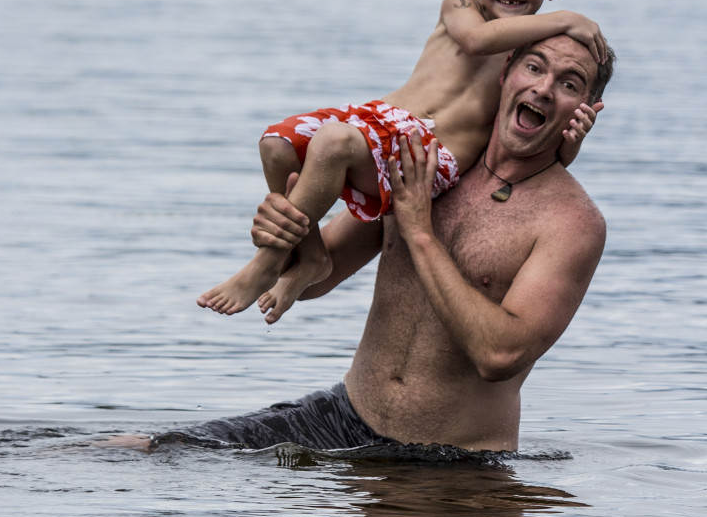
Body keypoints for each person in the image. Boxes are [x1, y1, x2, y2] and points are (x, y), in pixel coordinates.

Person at [160, 32, 613, 453]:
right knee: (155, 449)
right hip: (342, 420)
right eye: (534, 68)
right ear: (505, 71)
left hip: (457, 465)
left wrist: (418, 231)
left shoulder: (571, 223)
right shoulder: (426, 165)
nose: (544, 89)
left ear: (586, 111)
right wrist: (287, 232)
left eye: (569, 84)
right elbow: (319, 277)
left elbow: (500, 354)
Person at [196, 0, 607, 324]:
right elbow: (475, 39)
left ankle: (267, 261)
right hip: (381, 120)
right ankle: (310, 253)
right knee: (275, 145)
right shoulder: (462, 3)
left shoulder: (530, 56)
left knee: (333, 142)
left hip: (428, 153)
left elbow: (539, 149)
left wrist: (572, 141)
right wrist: (567, 18)